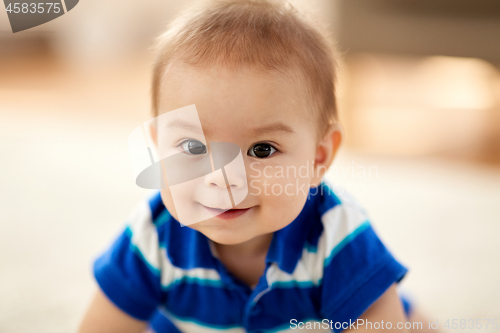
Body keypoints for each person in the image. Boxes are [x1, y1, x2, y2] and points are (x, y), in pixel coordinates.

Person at [79, 0, 430, 331]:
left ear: (318, 158)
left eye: (262, 149)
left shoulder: (337, 236)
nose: (222, 179)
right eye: (192, 146)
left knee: (413, 321)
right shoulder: (152, 235)